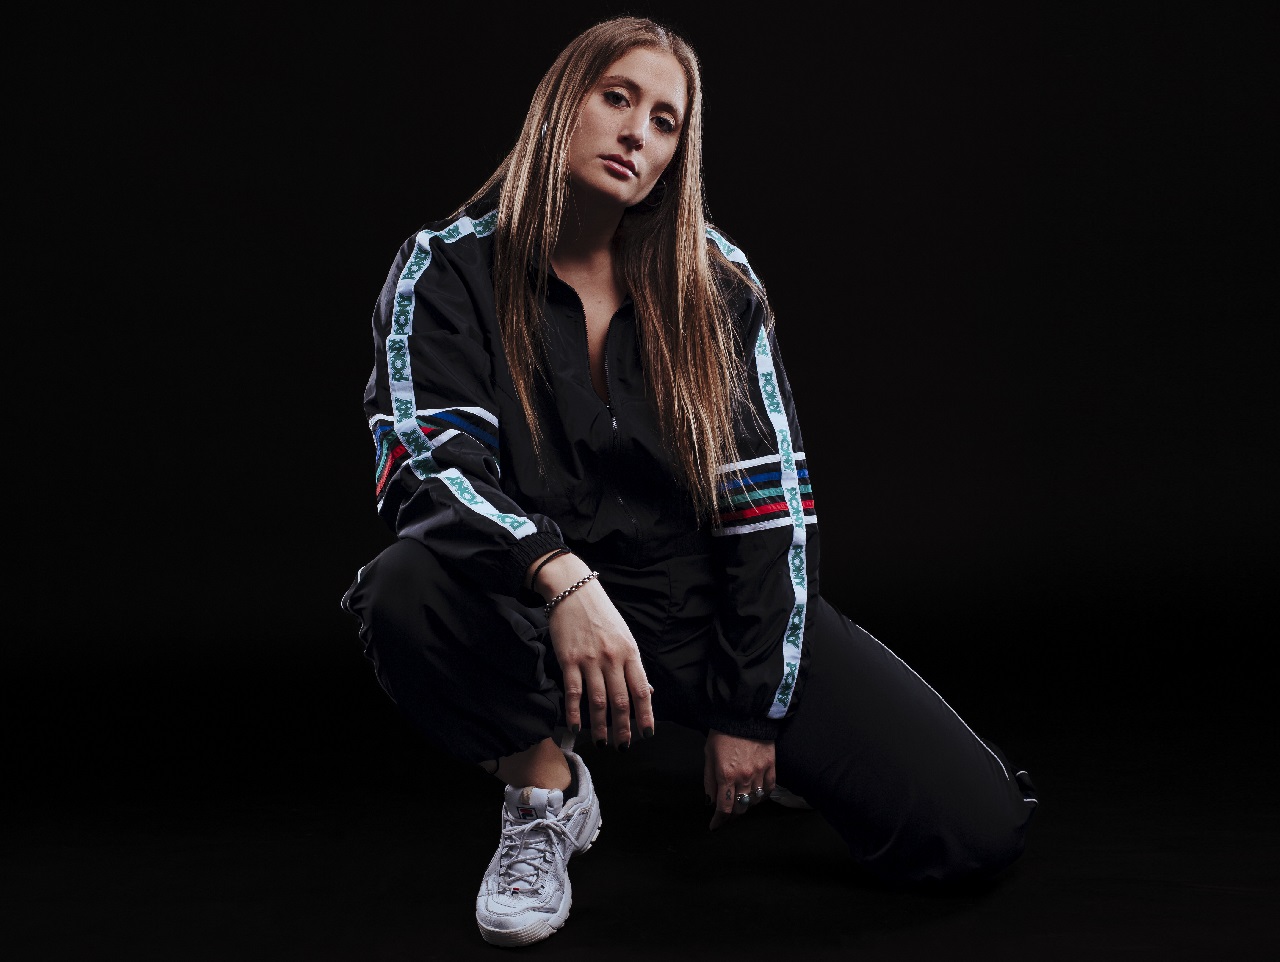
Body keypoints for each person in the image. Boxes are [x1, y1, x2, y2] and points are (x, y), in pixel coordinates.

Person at [341, 15, 1038, 948]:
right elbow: (427, 467)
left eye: (665, 121)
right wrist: (560, 578)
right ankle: (545, 788)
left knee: (976, 830)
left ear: (677, 154)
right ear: (562, 104)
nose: (637, 133)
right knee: (404, 587)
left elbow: (769, 509)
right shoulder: (447, 268)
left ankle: (777, 748)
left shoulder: (714, 279)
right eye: (617, 98)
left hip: (699, 609)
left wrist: (751, 711)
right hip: (534, 602)